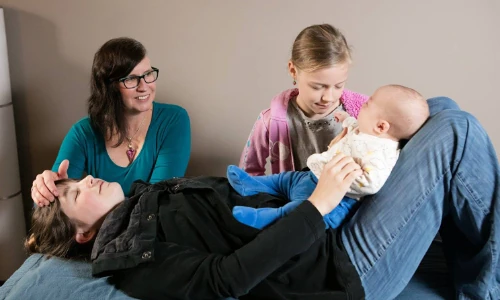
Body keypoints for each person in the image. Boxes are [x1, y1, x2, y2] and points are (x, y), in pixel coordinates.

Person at [25, 102, 500, 299]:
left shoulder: (137, 204)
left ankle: (471, 266)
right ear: (83, 233)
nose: (86, 181)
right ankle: (487, 288)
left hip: (327, 220)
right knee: (455, 130)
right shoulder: (131, 256)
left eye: (79, 179)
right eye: (74, 194)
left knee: (434, 106)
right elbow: (225, 281)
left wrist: (48, 181)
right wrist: (319, 205)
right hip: (339, 264)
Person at [229, 84, 430, 229]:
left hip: (334, 199)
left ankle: (269, 218)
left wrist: (339, 176)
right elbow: (353, 127)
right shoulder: (368, 131)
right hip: (311, 176)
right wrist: (345, 119)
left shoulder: (382, 153)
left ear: (381, 126)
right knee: (283, 179)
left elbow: (372, 183)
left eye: (367, 105)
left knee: (301, 213)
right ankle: (252, 185)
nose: (362, 107)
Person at [30, 37, 191, 206]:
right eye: (131, 79)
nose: (144, 86)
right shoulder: (83, 133)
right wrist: (45, 191)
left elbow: (156, 203)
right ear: (109, 87)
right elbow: (46, 211)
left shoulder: (173, 119)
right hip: (100, 232)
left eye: (148, 74)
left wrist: (92, 208)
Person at [240, 24, 368, 176]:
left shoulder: (363, 115)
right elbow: (247, 174)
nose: (329, 97)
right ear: (293, 70)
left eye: (338, 86)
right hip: (293, 199)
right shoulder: (270, 122)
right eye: (317, 87)